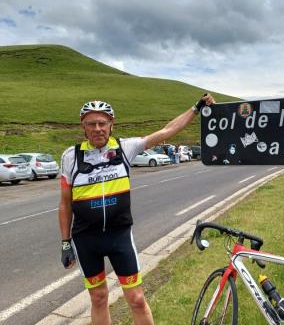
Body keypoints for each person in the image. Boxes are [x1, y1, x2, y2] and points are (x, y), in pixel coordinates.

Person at [58, 94, 214, 325]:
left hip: (119, 236)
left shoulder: (125, 148)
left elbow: (166, 131)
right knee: (98, 298)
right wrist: (65, 242)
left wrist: (196, 108)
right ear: (83, 126)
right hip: (85, 239)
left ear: (111, 124)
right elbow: (64, 203)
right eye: (91, 123)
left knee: (137, 298)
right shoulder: (70, 156)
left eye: (102, 123)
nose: (97, 128)